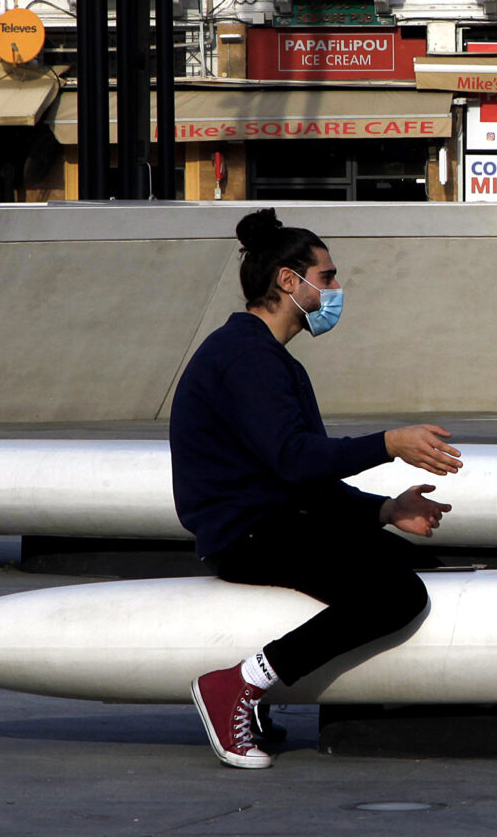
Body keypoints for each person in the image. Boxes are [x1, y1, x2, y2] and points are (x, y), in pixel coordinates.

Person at [173, 210, 465, 769]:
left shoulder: (267, 358)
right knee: (395, 594)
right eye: (327, 277)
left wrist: (385, 510)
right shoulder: (247, 359)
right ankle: (238, 685)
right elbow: (295, 459)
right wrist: (390, 442)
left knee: (415, 564)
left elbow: (301, 476)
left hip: (276, 521)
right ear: (289, 281)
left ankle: (254, 691)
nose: (335, 289)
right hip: (248, 534)